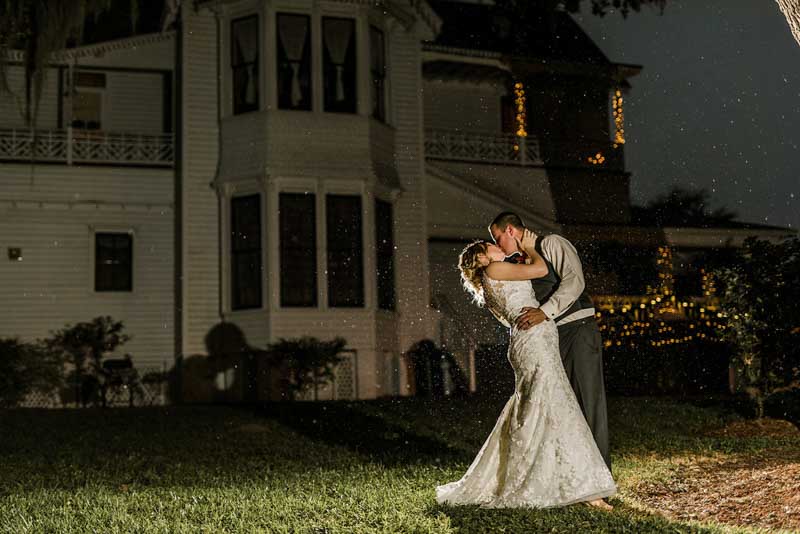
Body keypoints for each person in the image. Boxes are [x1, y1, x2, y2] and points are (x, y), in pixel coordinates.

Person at [435, 231, 615, 509]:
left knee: (543, 403)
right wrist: (531, 248)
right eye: (489, 246)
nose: (496, 247)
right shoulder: (495, 267)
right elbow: (540, 269)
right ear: (481, 258)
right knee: (555, 403)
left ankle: (562, 476)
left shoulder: (488, 283)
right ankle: (583, 487)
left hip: (528, 339)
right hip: (534, 339)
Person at [489, 212, 611, 469]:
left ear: (510, 230)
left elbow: (574, 281)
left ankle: (599, 475)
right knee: (562, 406)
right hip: (548, 340)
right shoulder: (520, 263)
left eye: (497, 238)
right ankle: (571, 473)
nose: (497, 245)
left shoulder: (552, 243)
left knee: (587, 402)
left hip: (577, 329)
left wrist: (545, 312)